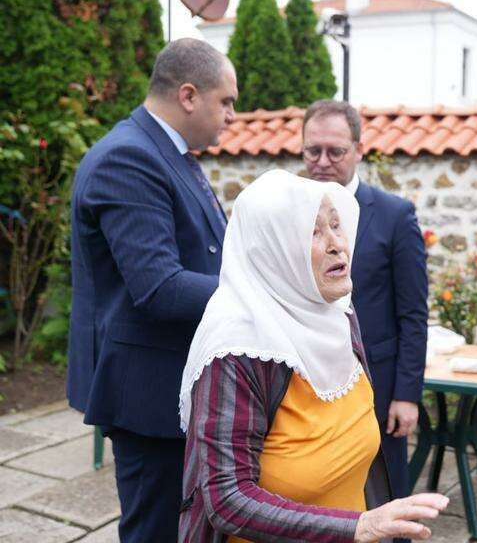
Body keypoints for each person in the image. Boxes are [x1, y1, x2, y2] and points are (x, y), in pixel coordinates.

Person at [178, 169, 447, 542]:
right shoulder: (236, 352)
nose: (337, 244)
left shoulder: (337, 316)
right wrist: (358, 526)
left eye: (336, 225)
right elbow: (228, 499)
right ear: (272, 251)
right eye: (313, 232)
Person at [67, 38, 235, 541]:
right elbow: (160, 287)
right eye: (226, 101)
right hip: (149, 393)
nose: (232, 115)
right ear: (189, 95)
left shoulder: (169, 153)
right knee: (156, 532)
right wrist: (263, 296)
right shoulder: (128, 158)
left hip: (175, 384)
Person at [302, 100, 428, 499]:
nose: (322, 162)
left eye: (335, 151)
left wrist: (407, 395)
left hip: (378, 385)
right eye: (312, 151)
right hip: (309, 385)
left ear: (358, 149)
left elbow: (413, 314)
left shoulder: (395, 215)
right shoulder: (291, 213)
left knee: (384, 496)